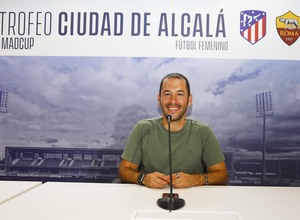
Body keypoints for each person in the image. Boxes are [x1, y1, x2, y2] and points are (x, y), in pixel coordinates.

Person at [118, 73, 227, 188]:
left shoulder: (203, 132)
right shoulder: (142, 128)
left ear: (189, 100)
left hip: (195, 200)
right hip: (147, 199)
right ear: (159, 99)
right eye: (167, 94)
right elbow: (124, 171)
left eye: (179, 94)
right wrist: (143, 178)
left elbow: (222, 175)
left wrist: (195, 179)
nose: (173, 101)